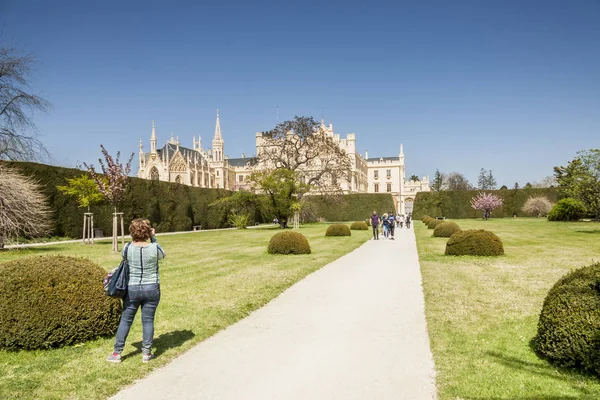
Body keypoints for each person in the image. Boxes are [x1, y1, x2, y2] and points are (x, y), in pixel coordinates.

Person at [107, 219, 166, 363]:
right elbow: (162, 255)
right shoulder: (154, 248)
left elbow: (124, 258)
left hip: (132, 288)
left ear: (131, 232)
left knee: (126, 320)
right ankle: (146, 353)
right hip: (152, 287)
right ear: (148, 231)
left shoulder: (127, 248)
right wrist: (153, 237)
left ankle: (117, 353)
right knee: (148, 321)